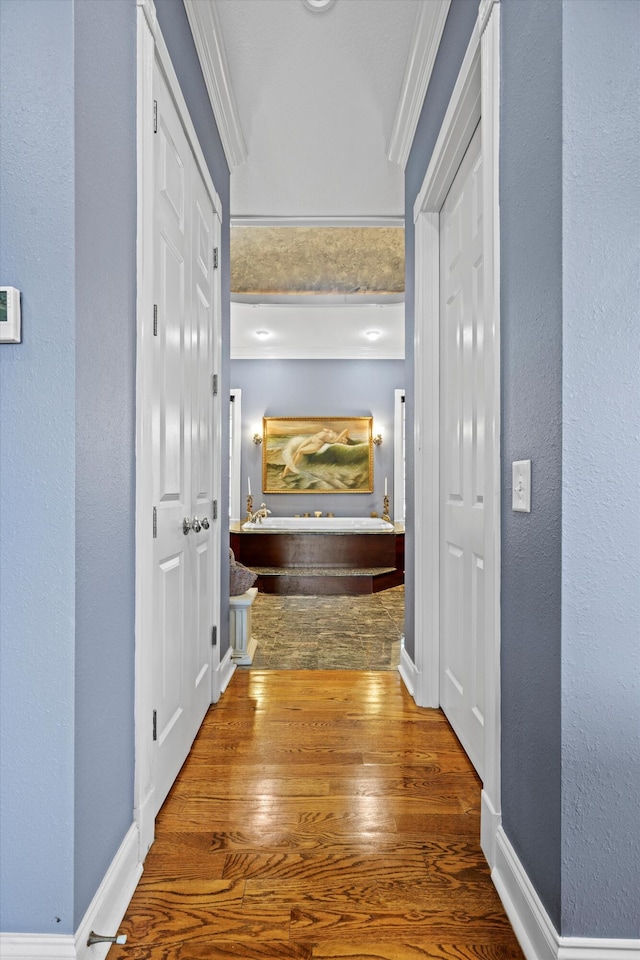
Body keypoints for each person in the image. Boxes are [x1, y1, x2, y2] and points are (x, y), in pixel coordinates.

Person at [281, 426, 349, 479]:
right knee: (296, 451)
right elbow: (346, 430)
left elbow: (345, 431)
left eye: (344, 442)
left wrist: (341, 439)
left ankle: (286, 472)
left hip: (316, 444)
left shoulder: (335, 440)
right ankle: (286, 471)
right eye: (344, 440)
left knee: (300, 451)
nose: (343, 440)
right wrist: (347, 437)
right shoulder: (333, 433)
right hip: (311, 438)